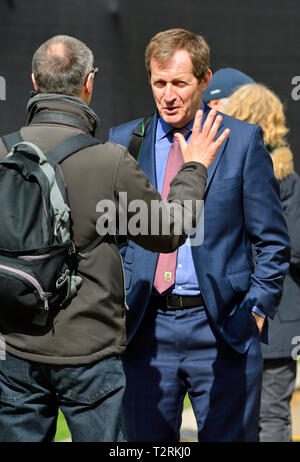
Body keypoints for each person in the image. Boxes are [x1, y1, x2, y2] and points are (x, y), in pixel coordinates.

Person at [0, 34, 228, 442]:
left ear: (34, 82)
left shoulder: (3, 153)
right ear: (89, 82)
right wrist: (193, 167)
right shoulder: (108, 160)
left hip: (15, 347)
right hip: (90, 355)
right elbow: (169, 230)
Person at [109, 28, 290, 442]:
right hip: (146, 331)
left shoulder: (241, 141)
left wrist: (255, 313)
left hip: (223, 331)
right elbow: (114, 236)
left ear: (205, 81)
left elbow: (273, 242)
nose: (168, 95)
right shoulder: (125, 142)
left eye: (179, 83)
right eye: (159, 82)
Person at [226, 83, 300, 442]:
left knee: (257, 416)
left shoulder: (233, 173)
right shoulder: (285, 177)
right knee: (260, 416)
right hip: (262, 317)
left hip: (257, 317)